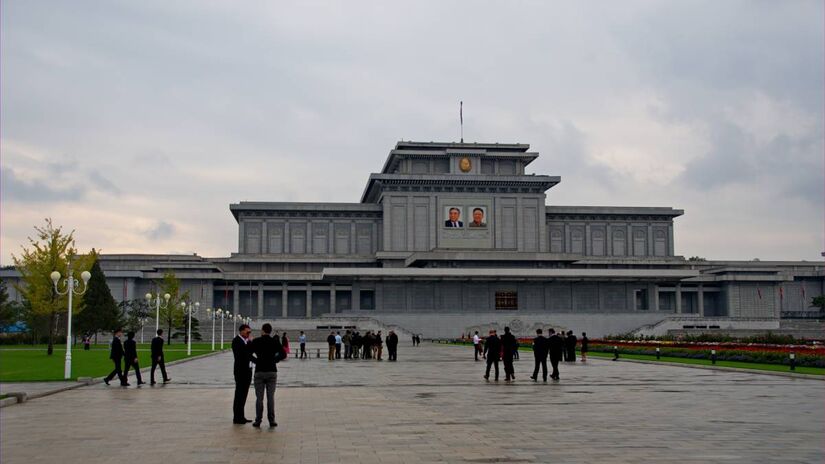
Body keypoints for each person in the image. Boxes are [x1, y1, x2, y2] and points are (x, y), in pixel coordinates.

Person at [250, 323, 286, 428]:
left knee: (259, 398)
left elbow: (248, 354)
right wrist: (274, 360)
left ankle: (258, 420)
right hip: (271, 371)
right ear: (270, 331)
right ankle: (271, 420)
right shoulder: (274, 341)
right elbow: (283, 354)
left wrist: (256, 361)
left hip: (259, 371)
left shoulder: (256, 341)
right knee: (270, 397)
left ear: (262, 330)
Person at [232, 324, 255, 425]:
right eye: (247, 332)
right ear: (241, 331)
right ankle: (237, 417)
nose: (249, 334)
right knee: (239, 394)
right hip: (240, 371)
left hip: (248, 370)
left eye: (250, 332)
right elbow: (244, 354)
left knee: (244, 394)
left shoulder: (246, 341)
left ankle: (241, 416)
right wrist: (251, 343)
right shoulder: (237, 341)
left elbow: (250, 353)